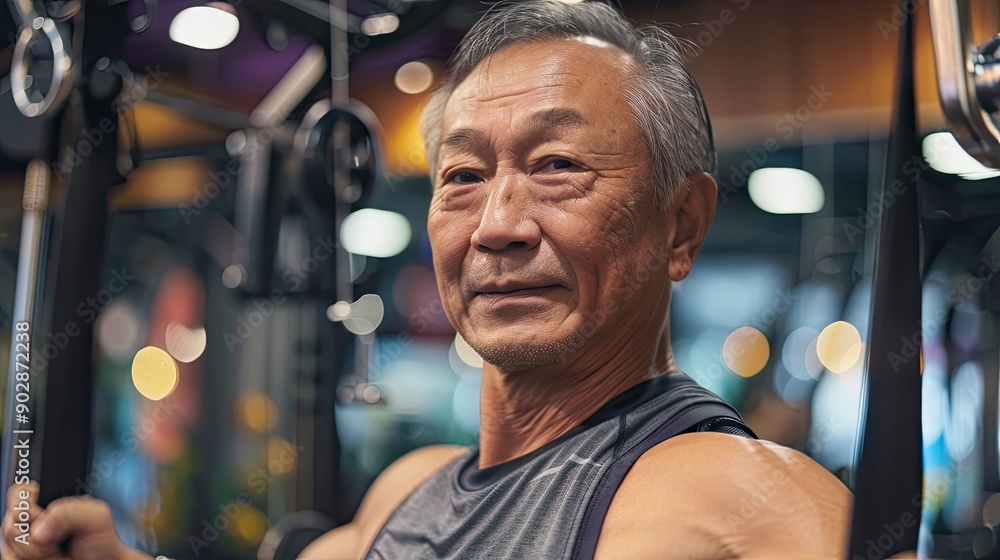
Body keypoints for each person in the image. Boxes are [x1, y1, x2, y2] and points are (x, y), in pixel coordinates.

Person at [4, 1, 856, 559]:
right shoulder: (407, 496)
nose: (497, 225)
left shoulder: (742, 502)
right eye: (462, 177)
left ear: (682, 226)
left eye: (557, 165)